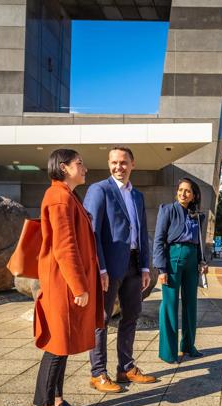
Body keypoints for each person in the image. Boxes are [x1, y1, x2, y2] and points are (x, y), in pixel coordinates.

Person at [33, 148, 104, 406]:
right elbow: (65, 246)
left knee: (62, 345)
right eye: (79, 163)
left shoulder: (66, 196)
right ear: (63, 167)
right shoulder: (59, 197)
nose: (84, 168)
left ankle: (57, 401)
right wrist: (79, 284)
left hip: (64, 282)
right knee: (57, 345)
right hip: (62, 283)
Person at [83, 146, 156, 393]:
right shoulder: (99, 190)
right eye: (114, 162)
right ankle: (98, 373)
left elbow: (141, 231)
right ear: (108, 164)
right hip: (109, 267)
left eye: (123, 162)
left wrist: (146, 266)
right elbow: (91, 233)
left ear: (132, 164)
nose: (118, 167)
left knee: (131, 315)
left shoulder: (137, 196)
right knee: (101, 318)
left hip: (134, 264)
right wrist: (100, 269)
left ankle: (125, 367)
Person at [153, 177, 208, 364]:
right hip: (173, 257)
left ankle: (188, 346)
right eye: (180, 190)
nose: (183, 193)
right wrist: (161, 268)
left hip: (192, 259)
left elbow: (199, 241)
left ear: (194, 196)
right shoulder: (167, 210)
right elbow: (159, 239)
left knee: (191, 304)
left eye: (187, 191)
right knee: (169, 305)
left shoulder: (197, 215)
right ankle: (168, 353)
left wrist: (202, 260)